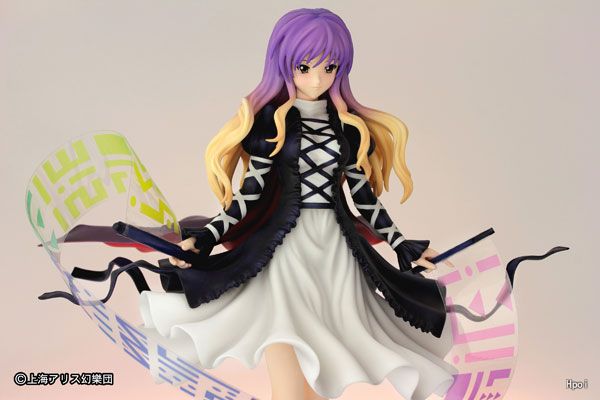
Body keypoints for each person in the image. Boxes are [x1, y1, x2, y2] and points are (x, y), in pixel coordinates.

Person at [156, 8, 459, 400]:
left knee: (319, 374)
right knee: (286, 372)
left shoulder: (348, 127)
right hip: (286, 254)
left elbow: (364, 200)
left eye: (329, 68)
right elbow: (248, 195)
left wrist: (403, 245)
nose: (317, 79)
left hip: (336, 256)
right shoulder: (271, 123)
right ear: (284, 64)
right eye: (304, 67)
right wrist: (206, 238)